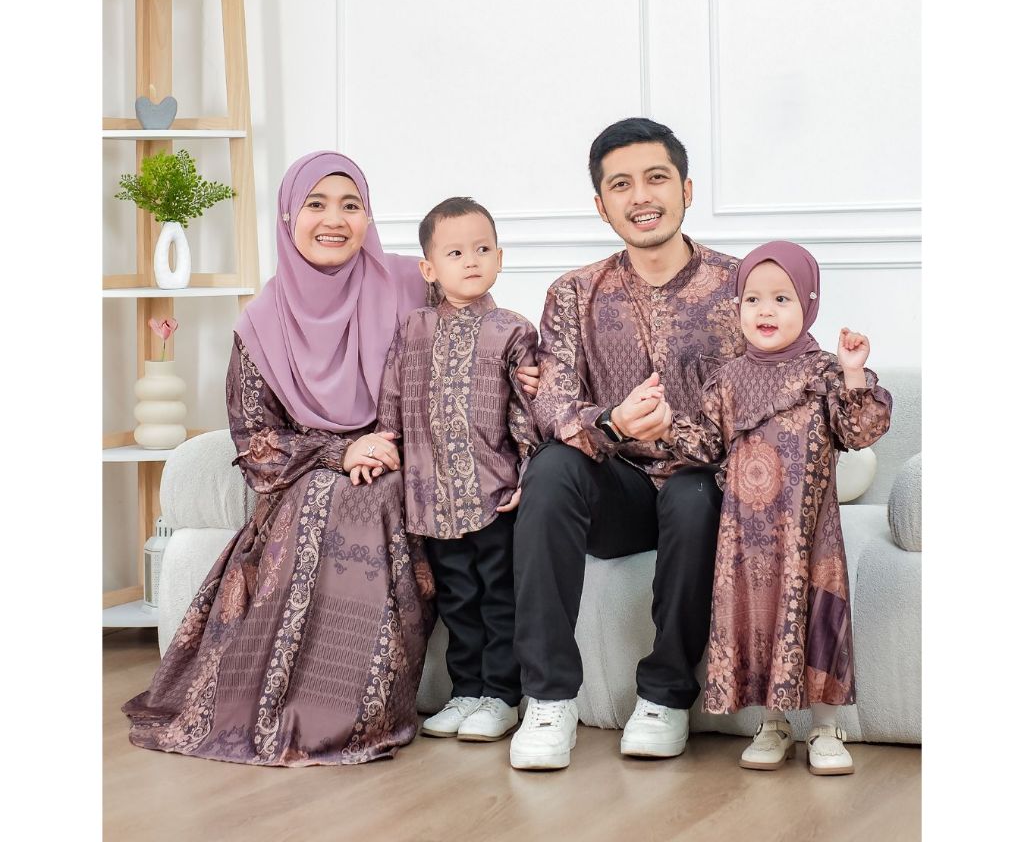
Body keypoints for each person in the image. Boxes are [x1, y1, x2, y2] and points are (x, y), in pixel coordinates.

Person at [122, 152, 539, 765]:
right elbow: (256, 439)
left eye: (351, 205)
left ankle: (363, 708)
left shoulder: (414, 280)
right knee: (332, 496)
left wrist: (523, 382)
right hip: (311, 470)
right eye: (315, 205)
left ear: (369, 217)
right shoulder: (261, 322)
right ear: (288, 216)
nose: (334, 219)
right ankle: (297, 706)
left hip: (421, 464)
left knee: (372, 499)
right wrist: (342, 451)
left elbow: (476, 336)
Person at [508, 117, 746, 771]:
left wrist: (677, 433)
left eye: (656, 178)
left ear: (687, 190)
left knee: (695, 497)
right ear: (601, 204)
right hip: (618, 492)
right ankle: (548, 699)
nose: (641, 197)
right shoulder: (573, 293)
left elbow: (759, 406)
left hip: (700, 488)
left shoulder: (740, 288)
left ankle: (666, 697)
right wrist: (613, 424)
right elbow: (553, 404)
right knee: (552, 468)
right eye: (621, 185)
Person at [669, 241, 892, 775]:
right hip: (747, 538)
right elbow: (703, 443)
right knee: (759, 617)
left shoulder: (824, 373)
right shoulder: (728, 379)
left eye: (781, 298)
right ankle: (772, 723)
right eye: (752, 299)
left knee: (817, 617)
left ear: (809, 303)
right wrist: (659, 424)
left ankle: (825, 727)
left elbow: (860, 431)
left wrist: (854, 372)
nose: (765, 311)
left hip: (809, 533)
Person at [368, 197, 539, 744]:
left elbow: (527, 409)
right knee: (458, 598)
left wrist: (528, 471)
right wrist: (384, 442)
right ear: (429, 268)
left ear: (499, 258)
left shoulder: (513, 331)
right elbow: (393, 394)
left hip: (494, 492)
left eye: (482, 249)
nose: (471, 261)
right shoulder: (413, 329)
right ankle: (466, 691)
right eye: (456, 253)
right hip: (431, 494)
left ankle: (501, 696)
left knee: (499, 596)